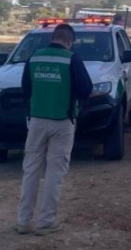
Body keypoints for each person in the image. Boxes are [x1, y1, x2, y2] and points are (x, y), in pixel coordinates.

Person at [15, 23, 92, 236]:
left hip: (37, 120)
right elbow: (86, 89)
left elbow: (25, 89)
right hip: (63, 121)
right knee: (55, 172)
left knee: (30, 169)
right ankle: (46, 221)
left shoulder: (35, 57)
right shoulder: (72, 59)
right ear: (70, 40)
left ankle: (23, 221)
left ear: (54, 37)